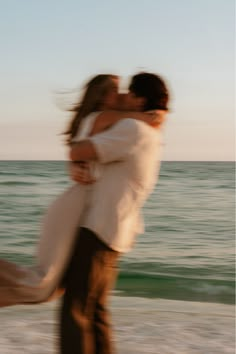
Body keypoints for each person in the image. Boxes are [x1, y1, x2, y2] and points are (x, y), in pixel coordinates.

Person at [0, 74, 163, 307]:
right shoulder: (104, 116)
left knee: (46, 288)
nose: (123, 95)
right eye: (116, 90)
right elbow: (81, 150)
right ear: (104, 97)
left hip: (79, 203)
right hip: (75, 204)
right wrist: (150, 114)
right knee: (39, 285)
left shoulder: (106, 121)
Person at [60, 72, 169, 354]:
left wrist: (79, 157)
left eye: (129, 94)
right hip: (117, 230)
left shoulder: (133, 129)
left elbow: (79, 151)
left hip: (100, 227)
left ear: (139, 99)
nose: (123, 98)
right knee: (96, 311)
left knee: (75, 310)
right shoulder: (148, 131)